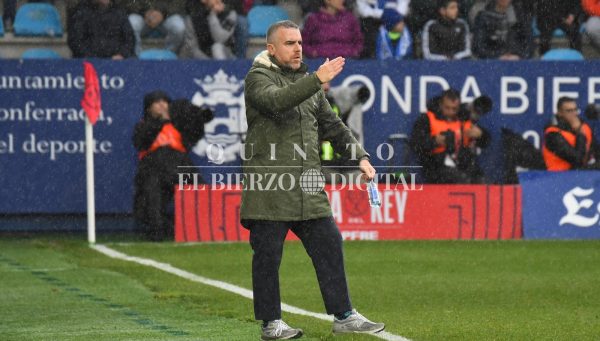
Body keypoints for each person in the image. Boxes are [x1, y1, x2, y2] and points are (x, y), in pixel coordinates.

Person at [242, 20, 385, 340]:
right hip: (271, 188)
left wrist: (360, 157)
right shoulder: (257, 79)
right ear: (271, 49)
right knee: (268, 257)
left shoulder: (308, 83)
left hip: (308, 187)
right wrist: (316, 79)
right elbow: (277, 102)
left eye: (300, 43)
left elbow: (333, 125)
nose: (298, 48)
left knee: (329, 245)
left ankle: (344, 315)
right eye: (290, 43)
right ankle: (271, 323)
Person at [133, 91, 214, 241]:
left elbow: (195, 131)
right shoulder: (143, 125)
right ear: (148, 109)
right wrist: (160, 122)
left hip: (179, 164)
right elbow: (141, 142)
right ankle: (157, 232)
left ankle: (207, 227)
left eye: (165, 102)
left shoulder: (179, 124)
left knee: (202, 191)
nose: (162, 105)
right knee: (152, 198)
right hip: (153, 167)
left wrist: (200, 117)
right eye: (157, 102)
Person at [409, 89, 490, 184]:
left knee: (483, 182)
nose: (451, 112)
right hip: (436, 167)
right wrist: (434, 141)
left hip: (464, 165)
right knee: (460, 179)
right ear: (440, 105)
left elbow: (486, 141)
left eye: (454, 109)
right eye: (447, 108)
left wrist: (481, 135)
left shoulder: (463, 119)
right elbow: (415, 143)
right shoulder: (427, 119)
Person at [542, 97, 600, 171]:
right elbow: (578, 160)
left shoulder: (585, 127)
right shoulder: (552, 134)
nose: (574, 114)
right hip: (558, 178)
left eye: (575, 110)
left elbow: (596, 152)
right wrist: (580, 134)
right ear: (560, 113)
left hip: (582, 176)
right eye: (569, 111)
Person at [68, 0, 135, 59]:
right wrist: (92, 57)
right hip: (89, 63)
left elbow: (130, 39)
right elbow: (75, 41)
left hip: (117, 62)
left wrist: (122, 54)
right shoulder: (81, 12)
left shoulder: (119, 12)